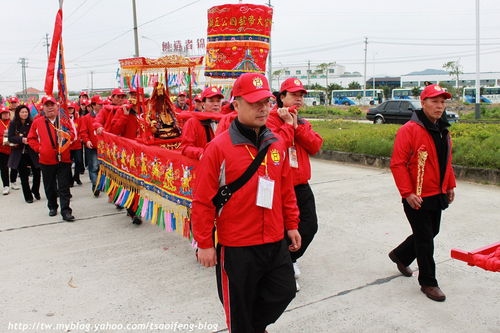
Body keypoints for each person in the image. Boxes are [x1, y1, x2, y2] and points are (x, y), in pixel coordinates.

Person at [192, 73, 301, 333]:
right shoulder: (218, 148)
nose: (262, 108)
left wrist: (292, 224)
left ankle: (254, 326)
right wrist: (205, 244)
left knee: (284, 290)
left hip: (274, 240)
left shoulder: (275, 143)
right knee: (239, 311)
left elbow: (285, 188)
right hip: (237, 246)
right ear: (237, 104)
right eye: (254, 103)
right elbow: (202, 200)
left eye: (266, 101)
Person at [389, 84, 457, 302]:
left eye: (442, 102)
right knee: (426, 239)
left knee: (431, 231)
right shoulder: (409, 130)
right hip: (416, 196)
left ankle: (400, 255)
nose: (439, 106)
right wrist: (407, 193)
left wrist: (450, 184)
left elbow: (446, 161)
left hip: (436, 192)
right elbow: (397, 164)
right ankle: (428, 282)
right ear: (423, 102)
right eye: (434, 101)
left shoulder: (443, 129)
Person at [266, 77, 323, 291]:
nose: (298, 99)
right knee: (281, 230)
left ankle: (289, 260)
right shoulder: (270, 121)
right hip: (279, 187)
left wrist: (296, 126)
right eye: (293, 95)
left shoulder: (302, 121)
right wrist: (287, 125)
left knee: (310, 226)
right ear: (281, 97)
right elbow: (275, 149)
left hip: (301, 185)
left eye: (301, 95)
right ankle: (282, 269)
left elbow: (315, 145)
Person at [27, 96, 75, 222]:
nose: (50, 107)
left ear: (57, 106)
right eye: (47, 105)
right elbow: (31, 139)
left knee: (64, 186)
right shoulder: (37, 122)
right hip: (46, 160)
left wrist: (65, 135)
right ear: (43, 108)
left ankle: (66, 211)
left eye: (52, 105)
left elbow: (74, 135)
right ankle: (52, 206)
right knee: (49, 186)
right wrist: (40, 149)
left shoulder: (64, 120)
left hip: (63, 159)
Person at [7, 104, 41, 203]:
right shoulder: (13, 123)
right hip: (19, 152)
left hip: (31, 151)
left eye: (26, 112)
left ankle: (35, 190)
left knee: (37, 172)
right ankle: (28, 196)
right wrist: (22, 139)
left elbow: (36, 134)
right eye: (22, 112)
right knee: (23, 175)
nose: (24, 114)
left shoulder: (31, 122)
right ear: (18, 113)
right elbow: (10, 137)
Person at [180, 87, 223, 160]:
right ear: (203, 104)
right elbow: (185, 148)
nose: (216, 104)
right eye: (211, 101)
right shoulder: (192, 122)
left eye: (218, 101)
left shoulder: (225, 121)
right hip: (204, 164)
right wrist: (202, 153)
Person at [79, 95, 103, 197]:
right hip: (92, 147)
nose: (102, 106)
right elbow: (83, 132)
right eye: (99, 104)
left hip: (104, 147)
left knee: (103, 168)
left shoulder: (105, 116)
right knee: (93, 167)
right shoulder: (86, 118)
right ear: (93, 105)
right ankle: (95, 185)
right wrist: (87, 140)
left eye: (102, 104)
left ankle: (101, 184)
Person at [68, 102, 84, 186]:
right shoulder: (64, 120)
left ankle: (76, 177)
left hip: (77, 145)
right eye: (68, 108)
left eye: (71, 108)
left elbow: (81, 129)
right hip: (68, 146)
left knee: (78, 161)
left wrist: (80, 137)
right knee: (68, 163)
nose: (70, 110)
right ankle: (70, 180)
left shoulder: (78, 119)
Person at [7, 97, 20, 190]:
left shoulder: (20, 112)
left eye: (15, 102)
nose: (13, 104)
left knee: (16, 162)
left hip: (18, 139)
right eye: (12, 102)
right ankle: (7, 183)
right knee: (7, 164)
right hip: (7, 139)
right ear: (9, 103)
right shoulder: (7, 112)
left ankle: (13, 181)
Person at [0, 107, 13, 194]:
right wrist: (4, 141)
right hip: (2, 149)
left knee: (15, 167)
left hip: (13, 148)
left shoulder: (13, 123)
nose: (5, 114)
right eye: (3, 113)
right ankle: (6, 185)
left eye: (7, 113)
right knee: (4, 168)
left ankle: (14, 181)